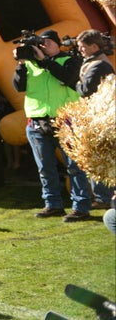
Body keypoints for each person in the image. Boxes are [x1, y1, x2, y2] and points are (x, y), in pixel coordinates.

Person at [12, 29, 91, 221]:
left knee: (74, 167)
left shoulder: (71, 60)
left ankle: (81, 207)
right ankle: (53, 204)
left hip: (66, 121)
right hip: (37, 122)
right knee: (45, 168)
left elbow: (67, 78)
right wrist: (21, 64)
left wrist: (45, 61)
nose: (43, 46)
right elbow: (18, 86)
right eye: (40, 43)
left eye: (47, 42)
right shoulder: (31, 64)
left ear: (57, 44)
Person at [75, 29, 115, 210]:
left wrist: (75, 83)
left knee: (101, 157)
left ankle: (103, 197)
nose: (80, 50)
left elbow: (85, 90)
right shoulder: (95, 62)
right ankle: (102, 196)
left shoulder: (99, 65)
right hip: (97, 115)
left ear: (94, 46)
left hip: (101, 117)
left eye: (83, 47)